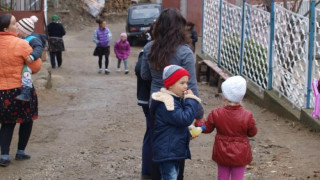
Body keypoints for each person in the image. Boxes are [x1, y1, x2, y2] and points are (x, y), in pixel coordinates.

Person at [140, 8, 204, 180]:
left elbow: (145, 75)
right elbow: (191, 85)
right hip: (178, 105)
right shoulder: (185, 52)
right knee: (176, 141)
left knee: (156, 139)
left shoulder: (149, 48)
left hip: (155, 102)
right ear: (179, 28)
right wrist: (199, 113)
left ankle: (151, 175)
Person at [195, 76, 258, 180]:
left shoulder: (216, 113)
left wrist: (199, 122)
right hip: (240, 153)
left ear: (225, 96)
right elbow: (252, 133)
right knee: (238, 177)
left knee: (222, 177)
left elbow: (206, 128)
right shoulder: (247, 115)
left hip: (222, 152)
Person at [0, 14, 42, 167]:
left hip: (2, 92)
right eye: (13, 23)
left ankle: (4, 155)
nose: (16, 25)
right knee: (27, 120)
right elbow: (36, 67)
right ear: (6, 28)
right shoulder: (21, 44)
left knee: (6, 123)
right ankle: (20, 152)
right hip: (21, 89)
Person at [150, 65, 201, 180]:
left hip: (171, 150)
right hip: (168, 151)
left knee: (172, 175)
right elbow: (184, 119)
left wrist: (187, 132)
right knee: (170, 176)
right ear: (171, 84)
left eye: (186, 83)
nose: (186, 86)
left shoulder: (174, 100)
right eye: (182, 83)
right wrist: (191, 100)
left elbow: (176, 124)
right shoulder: (167, 102)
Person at [15, 15, 43, 101]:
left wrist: (33, 56)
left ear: (23, 31)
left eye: (18, 29)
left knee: (26, 74)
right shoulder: (19, 37)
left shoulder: (32, 39)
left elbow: (39, 48)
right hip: (22, 61)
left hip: (29, 62)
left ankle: (26, 93)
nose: (16, 30)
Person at [135, 50, 152, 179]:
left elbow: (139, 70)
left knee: (150, 133)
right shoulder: (148, 49)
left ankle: (147, 172)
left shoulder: (146, 49)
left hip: (145, 98)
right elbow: (141, 71)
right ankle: (148, 172)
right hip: (148, 98)